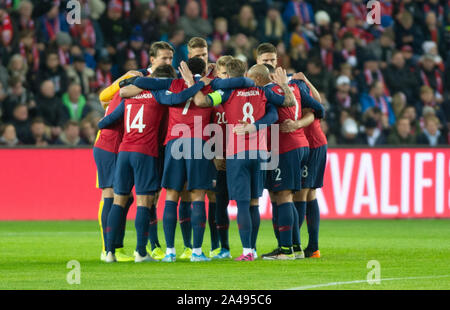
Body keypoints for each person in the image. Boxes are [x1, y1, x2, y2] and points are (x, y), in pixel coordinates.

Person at [98, 64, 208, 263]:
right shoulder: (157, 95)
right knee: (144, 202)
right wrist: (195, 84)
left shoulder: (129, 97)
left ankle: (109, 252)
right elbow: (177, 98)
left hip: (124, 152)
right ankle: (141, 252)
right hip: (144, 153)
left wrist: (100, 125)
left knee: (118, 200)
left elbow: (108, 120)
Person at [194, 59, 297, 261]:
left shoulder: (226, 92)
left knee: (242, 204)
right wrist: (256, 126)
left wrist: (195, 82)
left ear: (230, 76)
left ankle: (247, 251)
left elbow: (203, 102)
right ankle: (254, 249)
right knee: (253, 203)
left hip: (237, 153)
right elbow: (278, 111)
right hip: (259, 153)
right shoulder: (263, 92)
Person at [257, 67, 324, 261]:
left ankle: (290, 248)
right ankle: (297, 247)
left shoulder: (278, 89)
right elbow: (319, 107)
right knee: (293, 194)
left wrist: (296, 124)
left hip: (293, 145)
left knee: (291, 195)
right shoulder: (292, 87)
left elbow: (318, 109)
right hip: (295, 144)